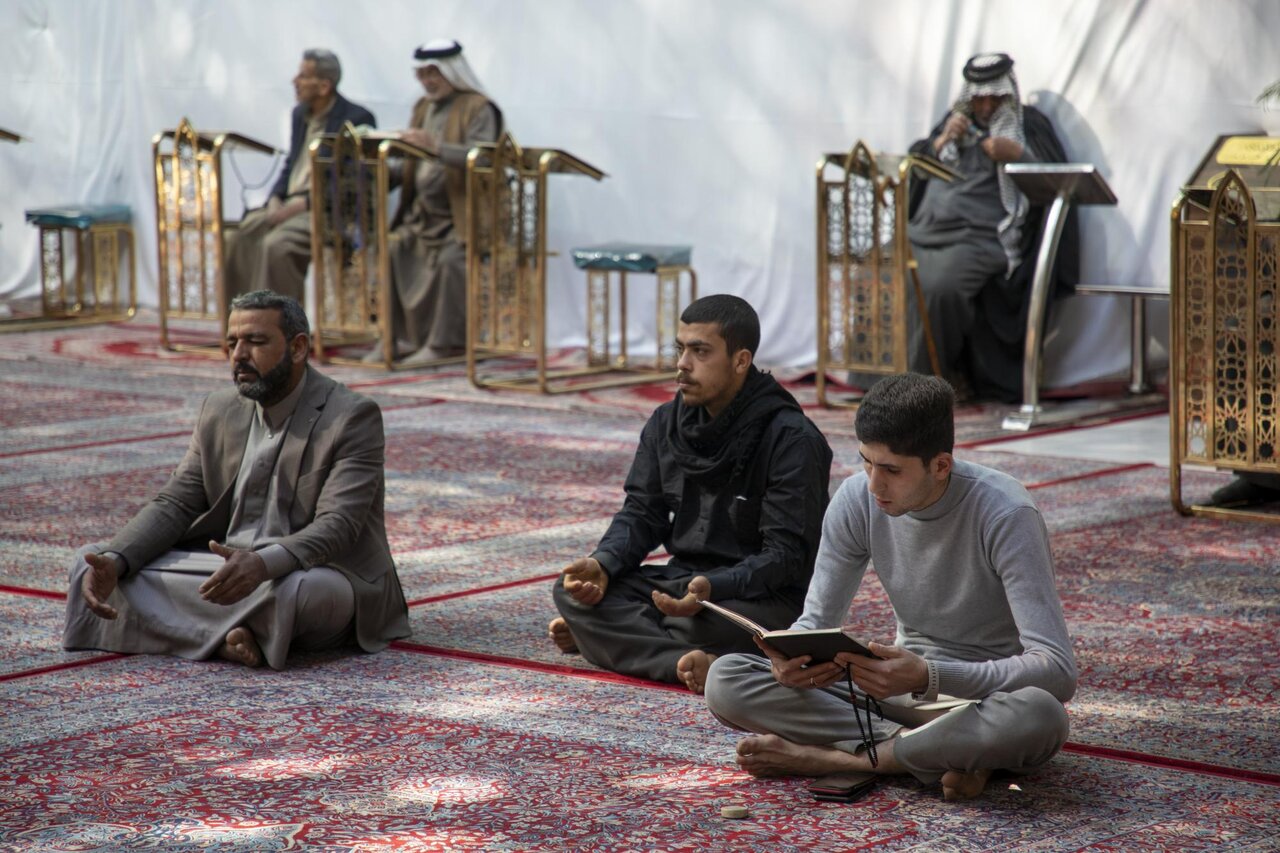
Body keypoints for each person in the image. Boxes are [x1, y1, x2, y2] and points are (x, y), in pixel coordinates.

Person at [704, 373, 1077, 801]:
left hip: (979, 701)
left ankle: (842, 759)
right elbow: (816, 620)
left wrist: (929, 675)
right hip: (888, 695)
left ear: (941, 466)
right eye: (866, 461)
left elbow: (1057, 670)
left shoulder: (1006, 514)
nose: (873, 484)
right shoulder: (856, 499)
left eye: (892, 470)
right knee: (726, 679)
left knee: (1041, 716)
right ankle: (939, 755)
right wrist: (793, 662)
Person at [63, 290, 410, 669]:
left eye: (256, 342)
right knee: (92, 565)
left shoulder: (351, 416)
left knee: (304, 594)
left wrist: (263, 564)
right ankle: (237, 636)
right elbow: (177, 502)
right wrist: (116, 559)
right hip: (226, 570)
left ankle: (202, 631)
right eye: (231, 343)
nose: (239, 356)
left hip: (308, 568)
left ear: (297, 348)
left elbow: (338, 526)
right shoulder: (219, 409)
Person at [548, 295, 834, 693]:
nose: (683, 364)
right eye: (680, 349)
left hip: (755, 597)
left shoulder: (790, 439)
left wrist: (714, 588)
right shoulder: (666, 422)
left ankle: (609, 639)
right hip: (682, 584)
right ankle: (680, 660)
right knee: (573, 592)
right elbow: (641, 512)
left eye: (700, 352)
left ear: (741, 360)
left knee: (697, 622)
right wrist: (604, 563)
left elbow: (786, 557)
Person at [888, 52, 1076, 402]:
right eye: (979, 98)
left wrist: (1017, 155)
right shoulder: (954, 122)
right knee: (882, 268)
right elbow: (916, 167)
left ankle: (920, 393)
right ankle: (882, 385)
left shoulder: (1028, 126)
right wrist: (941, 142)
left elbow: (1054, 185)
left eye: (995, 97)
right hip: (924, 231)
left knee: (940, 285)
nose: (986, 106)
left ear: (1009, 94)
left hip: (980, 240)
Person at [368, 39, 503, 365]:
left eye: (435, 74)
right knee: (391, 248)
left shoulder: (479, 108)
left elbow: (483, 158)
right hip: (422, 216)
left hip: (462, 218)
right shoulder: (423, 108)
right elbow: (414, 160)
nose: (428, 82)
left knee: (451, 262)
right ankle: (397, 338)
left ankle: (445, 345)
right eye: (423, 75)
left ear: (452, 72)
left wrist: (436, 146)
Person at [223, 49, 377, 304]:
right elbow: (291, 165)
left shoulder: (356, 119)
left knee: (277, 247)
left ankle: (280, 326)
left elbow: (352, 184)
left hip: (326, 211)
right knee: (238, 237)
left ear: (324, 86)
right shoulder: (300, 115)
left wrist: (302, 204)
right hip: (290, 203)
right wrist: (274, 197)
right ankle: (241, 319)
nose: (295, 81)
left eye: (303, 76)